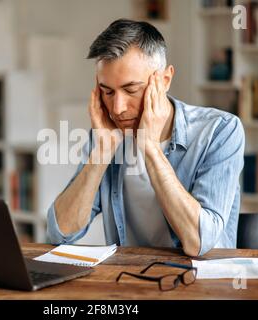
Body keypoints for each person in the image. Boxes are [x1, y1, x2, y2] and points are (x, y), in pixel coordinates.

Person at [46, 19, 245, 257]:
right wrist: (102, 153)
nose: (117, 108)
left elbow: (198, 241)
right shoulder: (107, 136)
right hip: (129, 284)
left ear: (164, 81)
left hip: (202, 285)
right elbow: (62, 232)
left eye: (131, 90)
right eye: (107, 92)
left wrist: (149, 147)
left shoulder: (221, 131)